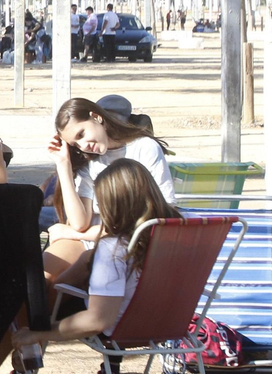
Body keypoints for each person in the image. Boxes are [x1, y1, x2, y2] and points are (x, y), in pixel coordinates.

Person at [14, 158, 181, 374]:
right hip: (169, 322)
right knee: (85, 263)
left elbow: (97, 320)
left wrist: (39, 332)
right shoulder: (177, 233)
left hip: (121, 325)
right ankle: (109, 369)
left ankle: (23, 365)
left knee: (38, 294)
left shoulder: (115, 248)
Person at [44, 96, 175, 287]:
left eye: (81, 134)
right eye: (75, 144)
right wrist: (63, 164)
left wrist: (74, 234)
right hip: (94, 239)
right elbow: (80, 223)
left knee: (59, 285)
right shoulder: (89, 160)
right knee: (36, 280)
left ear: (96, 117)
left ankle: (62, 316)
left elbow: (152, 220)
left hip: (129, 243)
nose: (83, 146)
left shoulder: (144, 148)